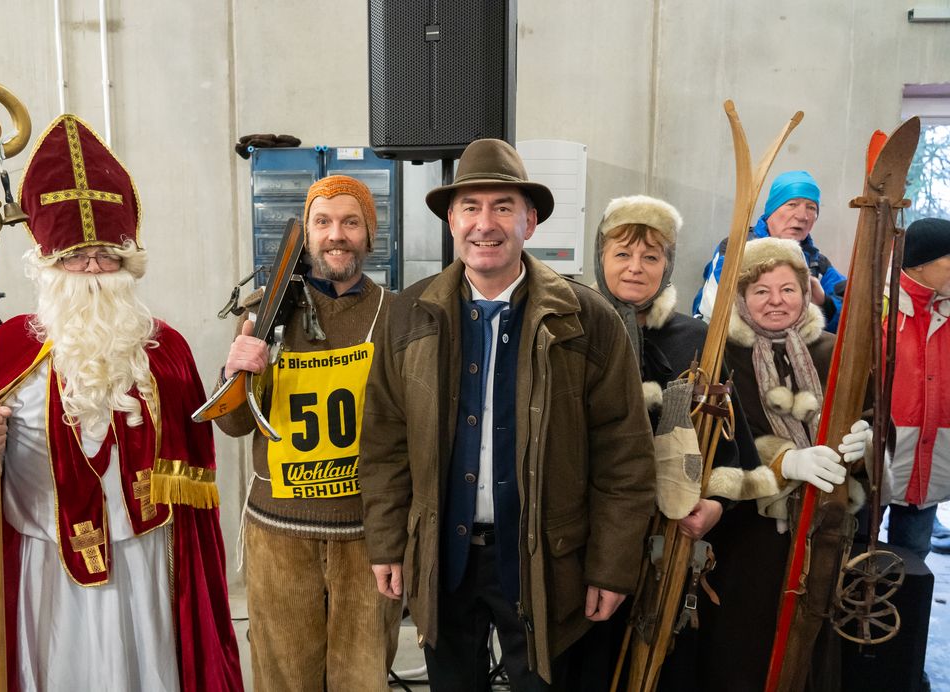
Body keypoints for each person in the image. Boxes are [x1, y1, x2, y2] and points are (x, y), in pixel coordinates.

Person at [0, 115, 242, 691]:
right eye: (75, 255)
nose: (93, 267)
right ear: (48, 265)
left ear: (128, 262)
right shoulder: (4, 351)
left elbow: (195, 472)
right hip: (44, 570)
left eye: (106, 254)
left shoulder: (166, 349)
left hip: (145, 562)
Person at [359, 138, 657, 690]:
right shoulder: (409, 315)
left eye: (503, 207)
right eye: (470, 207)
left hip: (546, 562)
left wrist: (612, 564)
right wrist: (387, 542)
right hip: (443, 559)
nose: (485, 223)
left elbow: (624, 456)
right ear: (452, 220)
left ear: (530, 221)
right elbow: (384, 443)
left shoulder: (587, 319)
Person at [214, 175, 401, 691]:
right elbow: (233, 424)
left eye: (350, 222)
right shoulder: (263, 310)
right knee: (284, 678)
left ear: (369, 234)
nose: (336, 234)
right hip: (279, 534)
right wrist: (233, 373)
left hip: (364, 536)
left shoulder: (395, 314)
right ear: (307, 232)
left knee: (362, 677)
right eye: (323, 222)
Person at [583, 195, 775, 690]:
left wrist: (716, 504)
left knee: (658, 659)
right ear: (600, 256)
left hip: (667, 542)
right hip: (588, 536)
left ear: (667, 265)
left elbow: (732, 442)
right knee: (589, 660)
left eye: (651, 256)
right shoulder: (574, 329)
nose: (635, 267)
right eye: (622, 253)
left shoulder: (695, 340)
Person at [703, 236, 870, 690]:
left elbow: (872, 414)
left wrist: (867, 444)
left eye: (788, 289)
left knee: (811, 640)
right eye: (761, 291)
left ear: (804, 291)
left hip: (824, 529)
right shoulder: (720, 354)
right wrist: (782, 462)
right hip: (748, 536)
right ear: (741, 296)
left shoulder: (836, 351)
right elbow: (713, 440)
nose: (776, 301)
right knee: (745, 644)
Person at [693, 170, 846, 332]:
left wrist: (825, 304)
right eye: (792, 204)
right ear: (772, 210)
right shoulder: (737, 248)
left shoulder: (818, 265)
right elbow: (715, 305)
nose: (803, 216)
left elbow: (852, 314)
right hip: (733, 343)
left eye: (811, 208)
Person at [885, 217, 950, 560]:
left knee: (912, 566)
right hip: (878, 463)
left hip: (931, 464)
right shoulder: (880, 307)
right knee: (851, 553)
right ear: (921, 263)